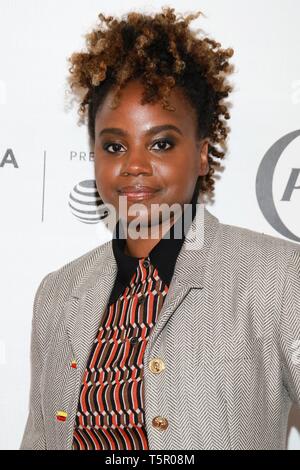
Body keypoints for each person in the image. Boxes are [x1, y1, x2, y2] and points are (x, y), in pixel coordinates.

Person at [20, 7, 300, 450]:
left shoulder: (278, 277)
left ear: (203, 153)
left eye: (161, 143)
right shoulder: (57, 295)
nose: (133, 164)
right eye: (114, 145)